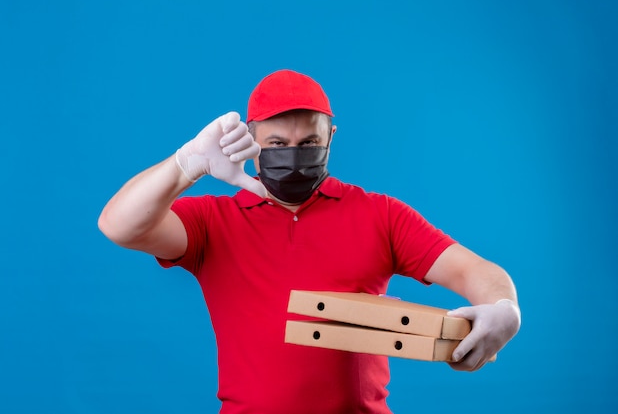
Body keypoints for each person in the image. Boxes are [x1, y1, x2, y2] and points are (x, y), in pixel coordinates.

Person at [98, 69, 521, 414]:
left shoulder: (380, 214)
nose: (294, 155)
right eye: (278, 144)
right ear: (250, 140)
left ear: (331, 138)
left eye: (310, 143)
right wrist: (185, 164)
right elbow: (120, 226)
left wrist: (504, 309)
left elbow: (474, 270)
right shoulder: (214, 221)